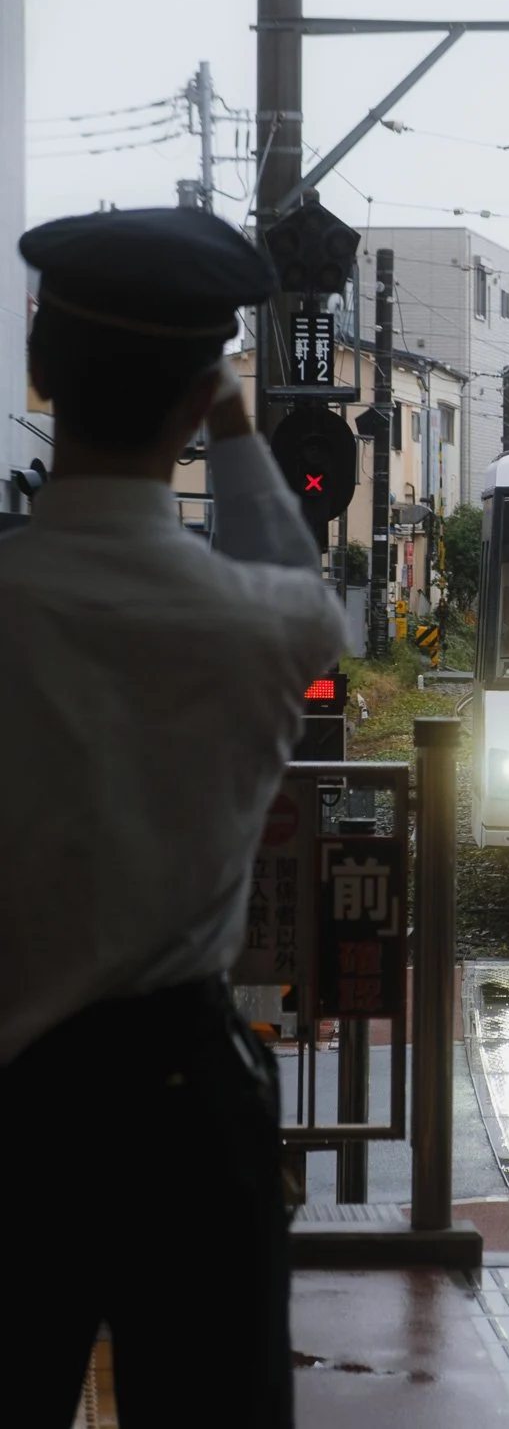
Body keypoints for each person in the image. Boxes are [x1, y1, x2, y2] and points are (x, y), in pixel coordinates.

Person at [0, 208, 349, 1427]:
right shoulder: (265, 629)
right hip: (181, 1116)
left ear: (42, 373)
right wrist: (243, 434)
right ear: (201, 398)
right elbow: (296, 581)